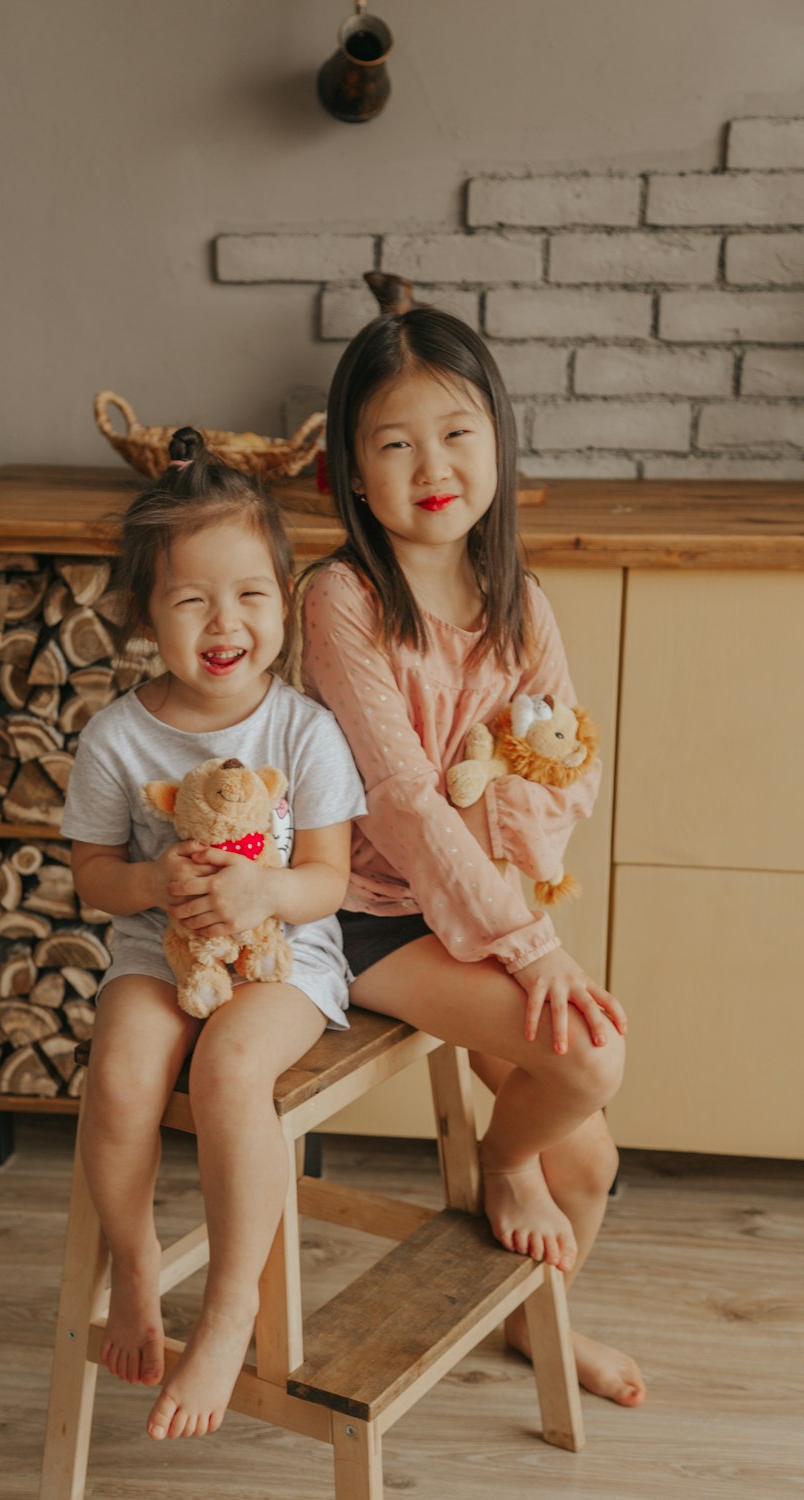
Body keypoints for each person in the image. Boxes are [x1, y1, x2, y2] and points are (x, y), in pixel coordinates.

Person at [300, 308, 645, 1407]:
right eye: (394, 445)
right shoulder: (340, 598)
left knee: (589, 1160)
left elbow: (561, 776)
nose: (431, 468)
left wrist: (521, 926)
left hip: (488, 906)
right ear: (351, 472)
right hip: (364, 910)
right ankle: (501, 1165)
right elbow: (401, 802)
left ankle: (538, 1329)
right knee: (588, 1065)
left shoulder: (518, 604)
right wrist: (525, 947)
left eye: (455, 434)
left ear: (496, 437)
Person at [61, 428, 366, 1441]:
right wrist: (150, 879)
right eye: (191, 600)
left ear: (284, 597)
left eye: (248, 595)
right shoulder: (119, 735)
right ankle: (139, 1261)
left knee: (231, 1070)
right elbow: (93, 876)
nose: (223, 621)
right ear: (146, 614)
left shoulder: (302, 731)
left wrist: (262, 893)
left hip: (287, 958)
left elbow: (327, 881)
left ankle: (231, 1305)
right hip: (161, 950)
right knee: (121, 1076)